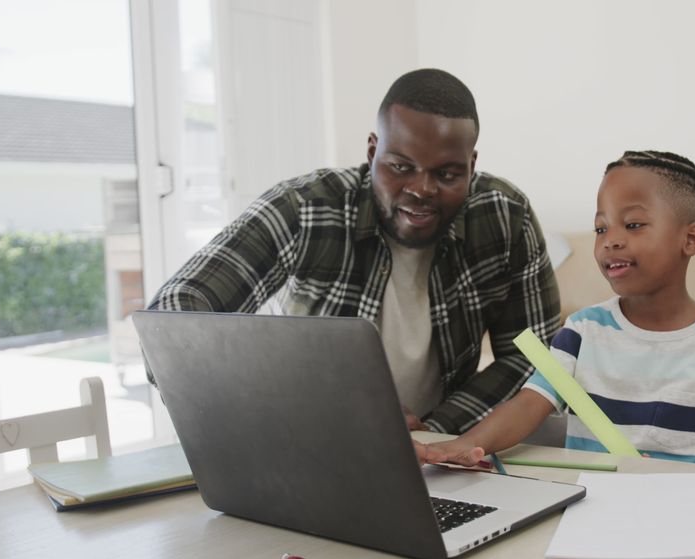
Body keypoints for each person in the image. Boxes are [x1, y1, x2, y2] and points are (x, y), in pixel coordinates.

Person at [146, 69, 560, 435]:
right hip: (305, 440)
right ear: (371, 151)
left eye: (447, 174)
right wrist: (304, 410)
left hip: (438, 453)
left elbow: (537, 355)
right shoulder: (305, 209)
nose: (421, 190)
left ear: (472, 165)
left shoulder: (506, 216)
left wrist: (433, 430)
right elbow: (170, 318)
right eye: (400, 166)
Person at [418, 150, 695, 469]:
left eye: (634, 224)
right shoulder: (581, 332)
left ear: (690, 239)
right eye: (600, 228)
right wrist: (467, 443)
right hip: (590, 507)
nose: (611, 240)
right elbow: (529, 404)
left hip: (684, 514)